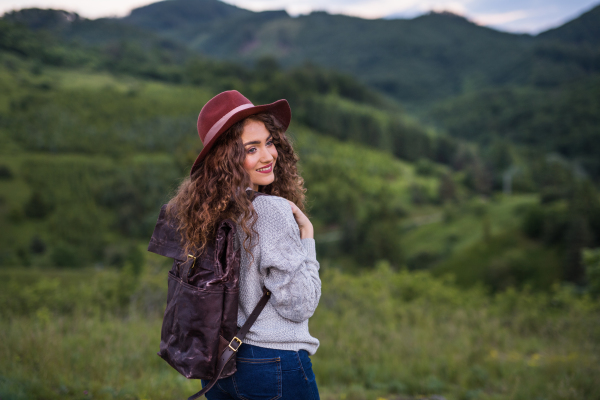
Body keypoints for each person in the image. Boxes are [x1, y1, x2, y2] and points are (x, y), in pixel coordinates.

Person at [166, 90, 321, 400]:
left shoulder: (206, 210)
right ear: (229, 159)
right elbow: (301, 304)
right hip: (274, 362)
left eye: (269, 142)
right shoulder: (272, 211)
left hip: (221, 364)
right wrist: (308, 240)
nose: (268, 155)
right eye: (252, 149)